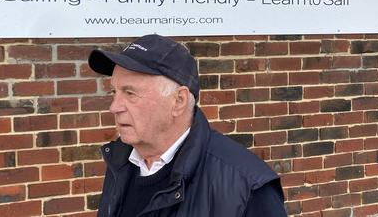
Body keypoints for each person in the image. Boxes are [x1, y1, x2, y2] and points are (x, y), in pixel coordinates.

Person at [88, 34, 287, 217]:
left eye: (130, 93)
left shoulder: (247, 187)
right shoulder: (120, 163)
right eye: (114, 92)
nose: (114, 107)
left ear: (178, 101)